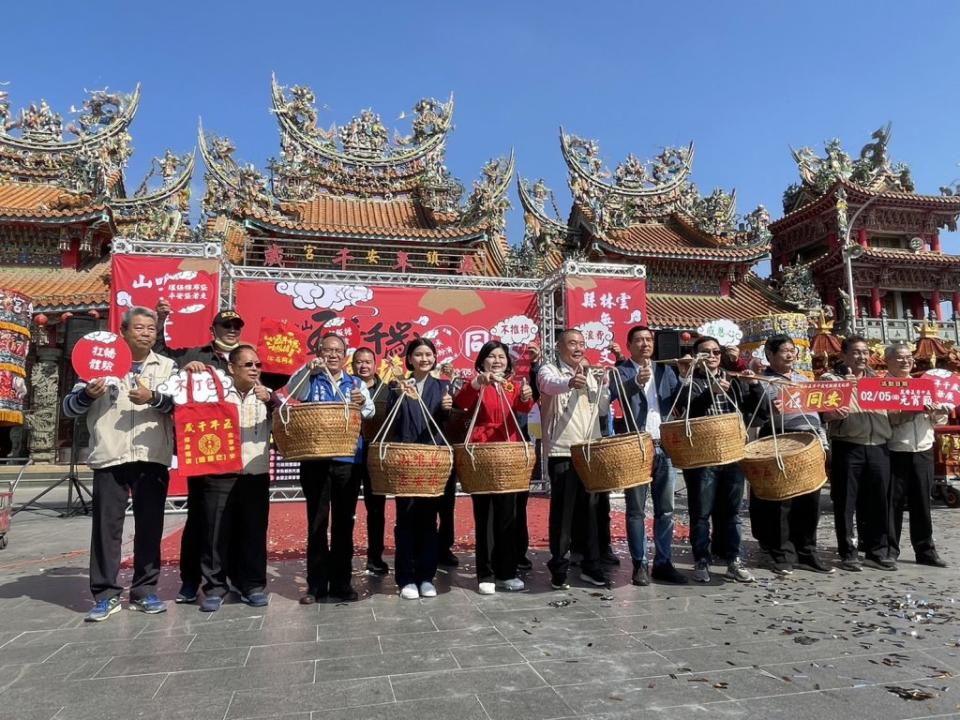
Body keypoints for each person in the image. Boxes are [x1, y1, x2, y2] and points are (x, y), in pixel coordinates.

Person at [63, 307, 176, 622]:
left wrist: (153, 397)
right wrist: (86, 394)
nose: (145, 333)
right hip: (110, 455)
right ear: (123, 331)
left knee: (150, 528)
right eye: (138, 328)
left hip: (151, 457)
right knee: (106, 530)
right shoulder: (98, 364)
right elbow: (69, 408)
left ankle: (144, 592)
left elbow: (178, 406)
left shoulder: (167, 366)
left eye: (151, 328)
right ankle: (105, 595)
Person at [153, 305, 246, 605]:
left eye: (236, 326)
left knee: (229, 519)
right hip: (202, 451)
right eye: (226, 325)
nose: (232, 330)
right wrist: (161, 321)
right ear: (213, 329)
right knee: (198, 519)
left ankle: (226, 577)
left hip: (238, 451)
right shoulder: (195, 355)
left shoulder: (245, 358)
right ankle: (191, 580)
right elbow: (160, 356)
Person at [285, 333, 374, 603]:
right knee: (317, 522)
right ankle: (315, 585)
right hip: (316, 460)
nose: (333, 355)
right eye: (327, 350)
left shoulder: (355, 382)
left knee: (344, 523)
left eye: (338, 351)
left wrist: (361, 402)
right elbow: (292, 391)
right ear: (319, 353)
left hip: (348, 460)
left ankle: (342, 583)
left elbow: (368, 411)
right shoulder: (311, 378)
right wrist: (306, 370)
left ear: (345, 355)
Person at [195, 345, 275, 611]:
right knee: (215, 532)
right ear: (231, 367)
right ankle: (215, 587)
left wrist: (271, 402)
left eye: (258, 365)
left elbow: (288, 423)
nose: (254, 369)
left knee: (253, 531)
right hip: (220, 473)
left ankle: (252, 585)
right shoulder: (213, 393)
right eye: (248, 365)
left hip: (255, 473)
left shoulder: (267, 395)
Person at [676, 336, 761, 583]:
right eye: (705, 353)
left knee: (732, 512)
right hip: (703, 457)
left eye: (715, 352)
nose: (712, 356)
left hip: (732, 454)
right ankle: (702, 559)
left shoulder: (733, 380)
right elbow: (685, 411)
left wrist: (754, 385)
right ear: (696, 356)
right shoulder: (691, 381)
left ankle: (734, 559)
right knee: (701, 512)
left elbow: (758, 413)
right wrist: (709, 394)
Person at [454, 341, 535, 594]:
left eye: (501, 357)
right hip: (482, 452)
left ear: (508, 363)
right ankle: (486, 574)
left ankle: (507, 572)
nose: (497, 361)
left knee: (508, 515)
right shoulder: (476, 384)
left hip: (508, 454)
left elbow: (522, 409)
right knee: (486, 516)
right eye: (491, 357)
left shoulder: (511, 385)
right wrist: (480, 382)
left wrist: (526, 396)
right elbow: (462, 401)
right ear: (482, 361)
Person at [749, 334, 833, 575]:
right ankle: (781, 553)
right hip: (779, 438)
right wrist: (768, 407)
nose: (790, 354)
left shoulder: (803, 380)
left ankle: (807, 551)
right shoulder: (762, 381)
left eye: (792, 350)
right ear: (770, 356)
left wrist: (823, 442)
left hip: (808, 440)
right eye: (784, 351)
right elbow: (756, 413)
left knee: (810, 498)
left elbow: (818, 415)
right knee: (781, 501)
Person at [609, 326, 687, 586]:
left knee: (666, 509)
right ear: (629, 345)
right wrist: (635, 383)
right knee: (635, 511)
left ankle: (663, 562)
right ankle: (639, 563)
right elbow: (614, 395)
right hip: (636, 447)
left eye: (648, 340)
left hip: (664, 445)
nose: (645, 344)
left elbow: (679, 401)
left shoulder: (666, 370)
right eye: (639, 340)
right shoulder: (620, 371)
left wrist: (686, 378)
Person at [538, 329, 611, 589]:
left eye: (581, 343)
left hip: (590, 451)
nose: (578, 348)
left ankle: (591, 564)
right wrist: (570, 382)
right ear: (559, 347)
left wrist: (604, 387)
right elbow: (548, 386)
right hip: (562, 451)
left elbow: (602, 408)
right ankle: (559, 566)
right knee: (563, 513)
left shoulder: (591, 373)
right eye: (572, 343)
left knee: (591, 512)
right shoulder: (550, 370)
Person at [386, 337, 453, 599]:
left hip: (432, 459)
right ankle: (405, 578)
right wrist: (400, 395)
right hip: (406, 458)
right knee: (406, 517)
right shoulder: (399, 385)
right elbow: (393, 418)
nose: (424, 359)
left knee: (429, 517)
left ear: (434, 358)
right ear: (410, 359)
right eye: (419, 355)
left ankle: (426, 576)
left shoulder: (443, 386)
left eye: (429, 354)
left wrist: (447, 409)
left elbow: (445, 421)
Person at [823, 335, 895, 572]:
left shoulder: (880, 381)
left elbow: (894, 412)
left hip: (879, 446)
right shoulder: (832, 380)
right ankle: (848, 551)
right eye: (855, 352)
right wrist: (833, 414)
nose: (862, 356)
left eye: (865, 352)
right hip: (848, 445)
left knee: (878, 500)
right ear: (843, 355)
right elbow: (824, 411)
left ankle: (876, 550)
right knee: (845, 501)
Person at [884, 343, 949, 568]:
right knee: (893, 503)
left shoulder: (923, 385)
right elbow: (888, 418)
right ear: (888, 360)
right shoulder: (883, 386)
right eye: (900, 358)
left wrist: (939, 412)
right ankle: (890, 549)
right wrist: (911, 411)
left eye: (908, 358)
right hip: (895, 449)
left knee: (922, 503)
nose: (906, 361)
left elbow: (938, 421)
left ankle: (925, 550)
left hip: (923, 448)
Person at [351, 346, 389, 575]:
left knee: (377, 509)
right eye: (359, 362)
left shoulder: (388, 389)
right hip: (349, 453)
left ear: (376, 366)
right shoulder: (345, 388)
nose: (363, 366)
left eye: (368, 362)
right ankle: (342, 558)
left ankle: (375, 557)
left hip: (375, 455)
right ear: (352, 365)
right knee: (345, 508)